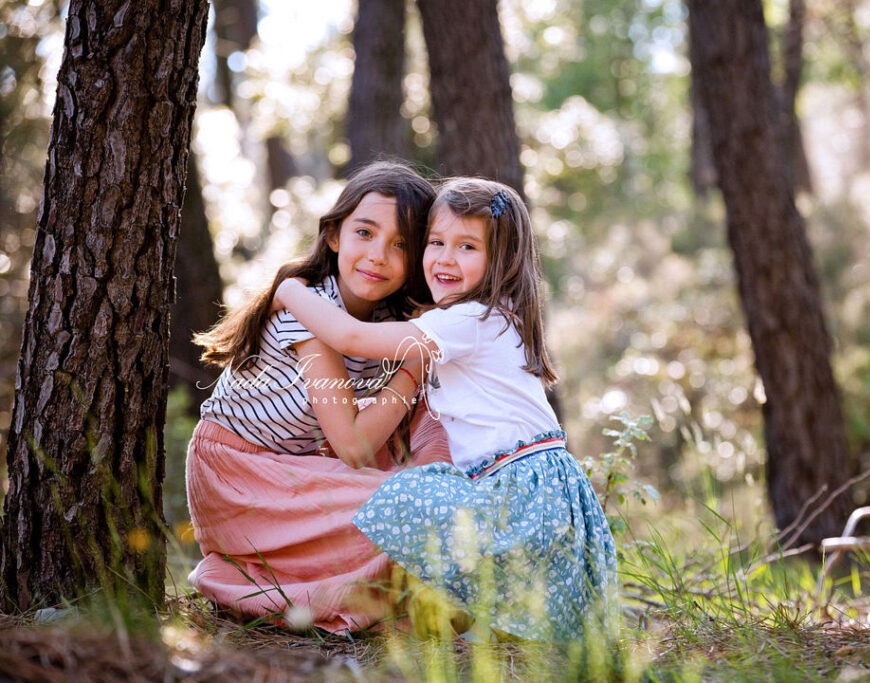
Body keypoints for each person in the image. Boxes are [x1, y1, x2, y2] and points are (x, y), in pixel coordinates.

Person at [273, 177, 617, 642]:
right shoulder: (489, 318)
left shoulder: (471, 320)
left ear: (502, 260)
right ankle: (498, 624)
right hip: (537, 488)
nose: (445, 259)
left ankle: (481, 621)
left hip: (521, 488)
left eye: (467, 246)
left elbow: (352, 338)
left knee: (408, 495)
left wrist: (291, 291)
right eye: (436, 242)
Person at [185, 160, 450, 636]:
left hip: (294, 469)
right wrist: (415, 361)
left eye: (401, 245)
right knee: (407, 505)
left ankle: (422, 578)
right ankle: (339, 600)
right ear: (333, 236)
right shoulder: (310, 310)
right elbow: (351, 445)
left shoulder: (390, 315)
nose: (378, 255)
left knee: (432, 492)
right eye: (365, 233)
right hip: (238, 478)